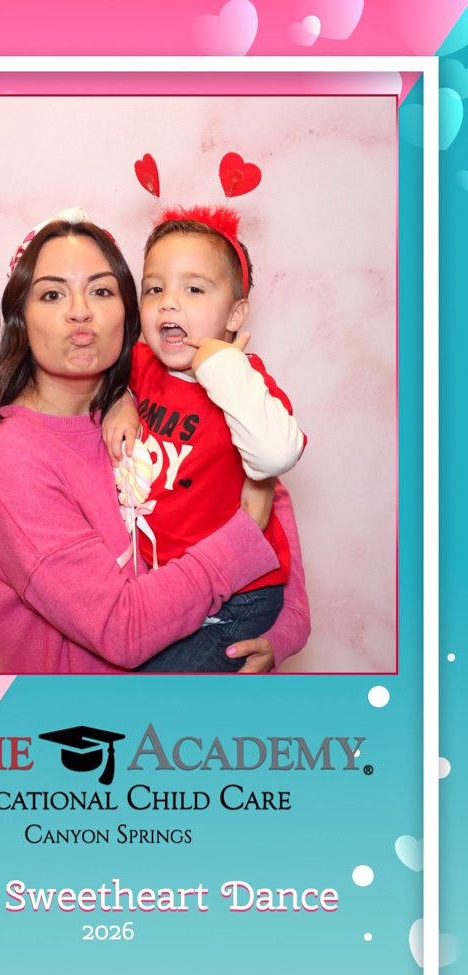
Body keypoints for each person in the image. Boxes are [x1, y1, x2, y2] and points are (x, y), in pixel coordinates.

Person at [0, 216, 309, 674]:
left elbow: (265, 492)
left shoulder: (157, 393)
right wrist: (244, 533)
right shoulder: (10, 458)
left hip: (216, 634)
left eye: (101, 291)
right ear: (20, 318)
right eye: (52, 294)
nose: (79, 311)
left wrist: (287, 626)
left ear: (125, 313)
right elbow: (122, 629)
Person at [102, 207, 307, 672]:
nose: (169, 303)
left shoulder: (246, 384)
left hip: (239, 596)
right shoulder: (141, 363)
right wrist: (121, 398)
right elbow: (103, 380)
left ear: (235, 313)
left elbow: (276, 455)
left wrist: (220, 363)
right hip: (169, 587)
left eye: (193, 289)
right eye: (155, 289)